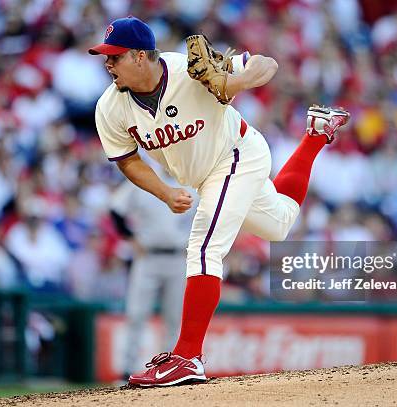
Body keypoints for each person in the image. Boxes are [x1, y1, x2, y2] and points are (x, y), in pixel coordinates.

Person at [89, 16, 349, 387]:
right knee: (278, 225)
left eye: (115, 56)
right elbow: (128, 160)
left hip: (237, 154)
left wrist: (233, 82)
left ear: (141, 56)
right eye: (106, 57)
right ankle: (316, 133)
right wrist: (164, 193)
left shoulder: (186, 69)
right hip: (203, 177)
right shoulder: (109, 108)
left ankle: (187, 356)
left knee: (203, 248)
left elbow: (267, 65)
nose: (108, 64)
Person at [110, 175, 194, 378]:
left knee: (175, 318)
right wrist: (130, 238)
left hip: (178, 257)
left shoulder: (192, 181)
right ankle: (126, 371)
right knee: (136, 314)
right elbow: (115, 209)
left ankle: (169, 369)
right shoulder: (146, 177)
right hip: (148, 256)